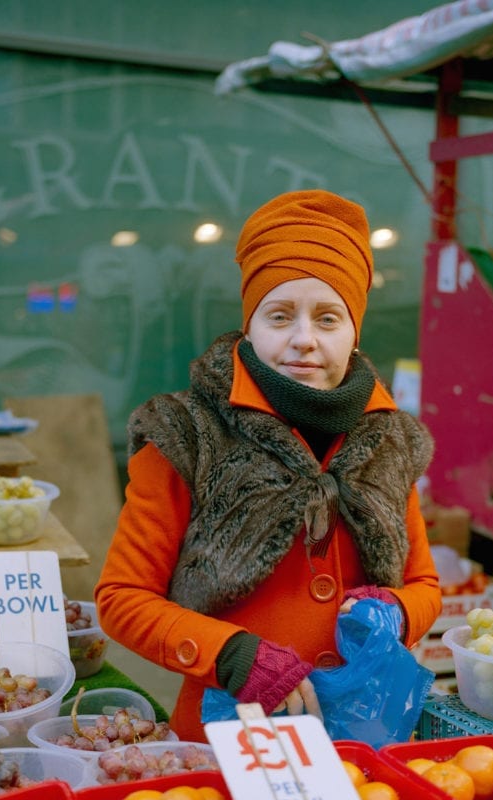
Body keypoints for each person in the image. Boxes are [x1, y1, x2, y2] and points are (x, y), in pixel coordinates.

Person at [95, 189, 442, 742]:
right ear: (249, 324)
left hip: (364, 738)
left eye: (328, 318)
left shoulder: (389, 440)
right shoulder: (186, 435)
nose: (303, 340)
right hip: (227, 740)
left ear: (355, 332)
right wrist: (228, 654)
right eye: (280, 315)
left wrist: (398, 612)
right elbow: (121, 600)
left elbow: (425, 584)